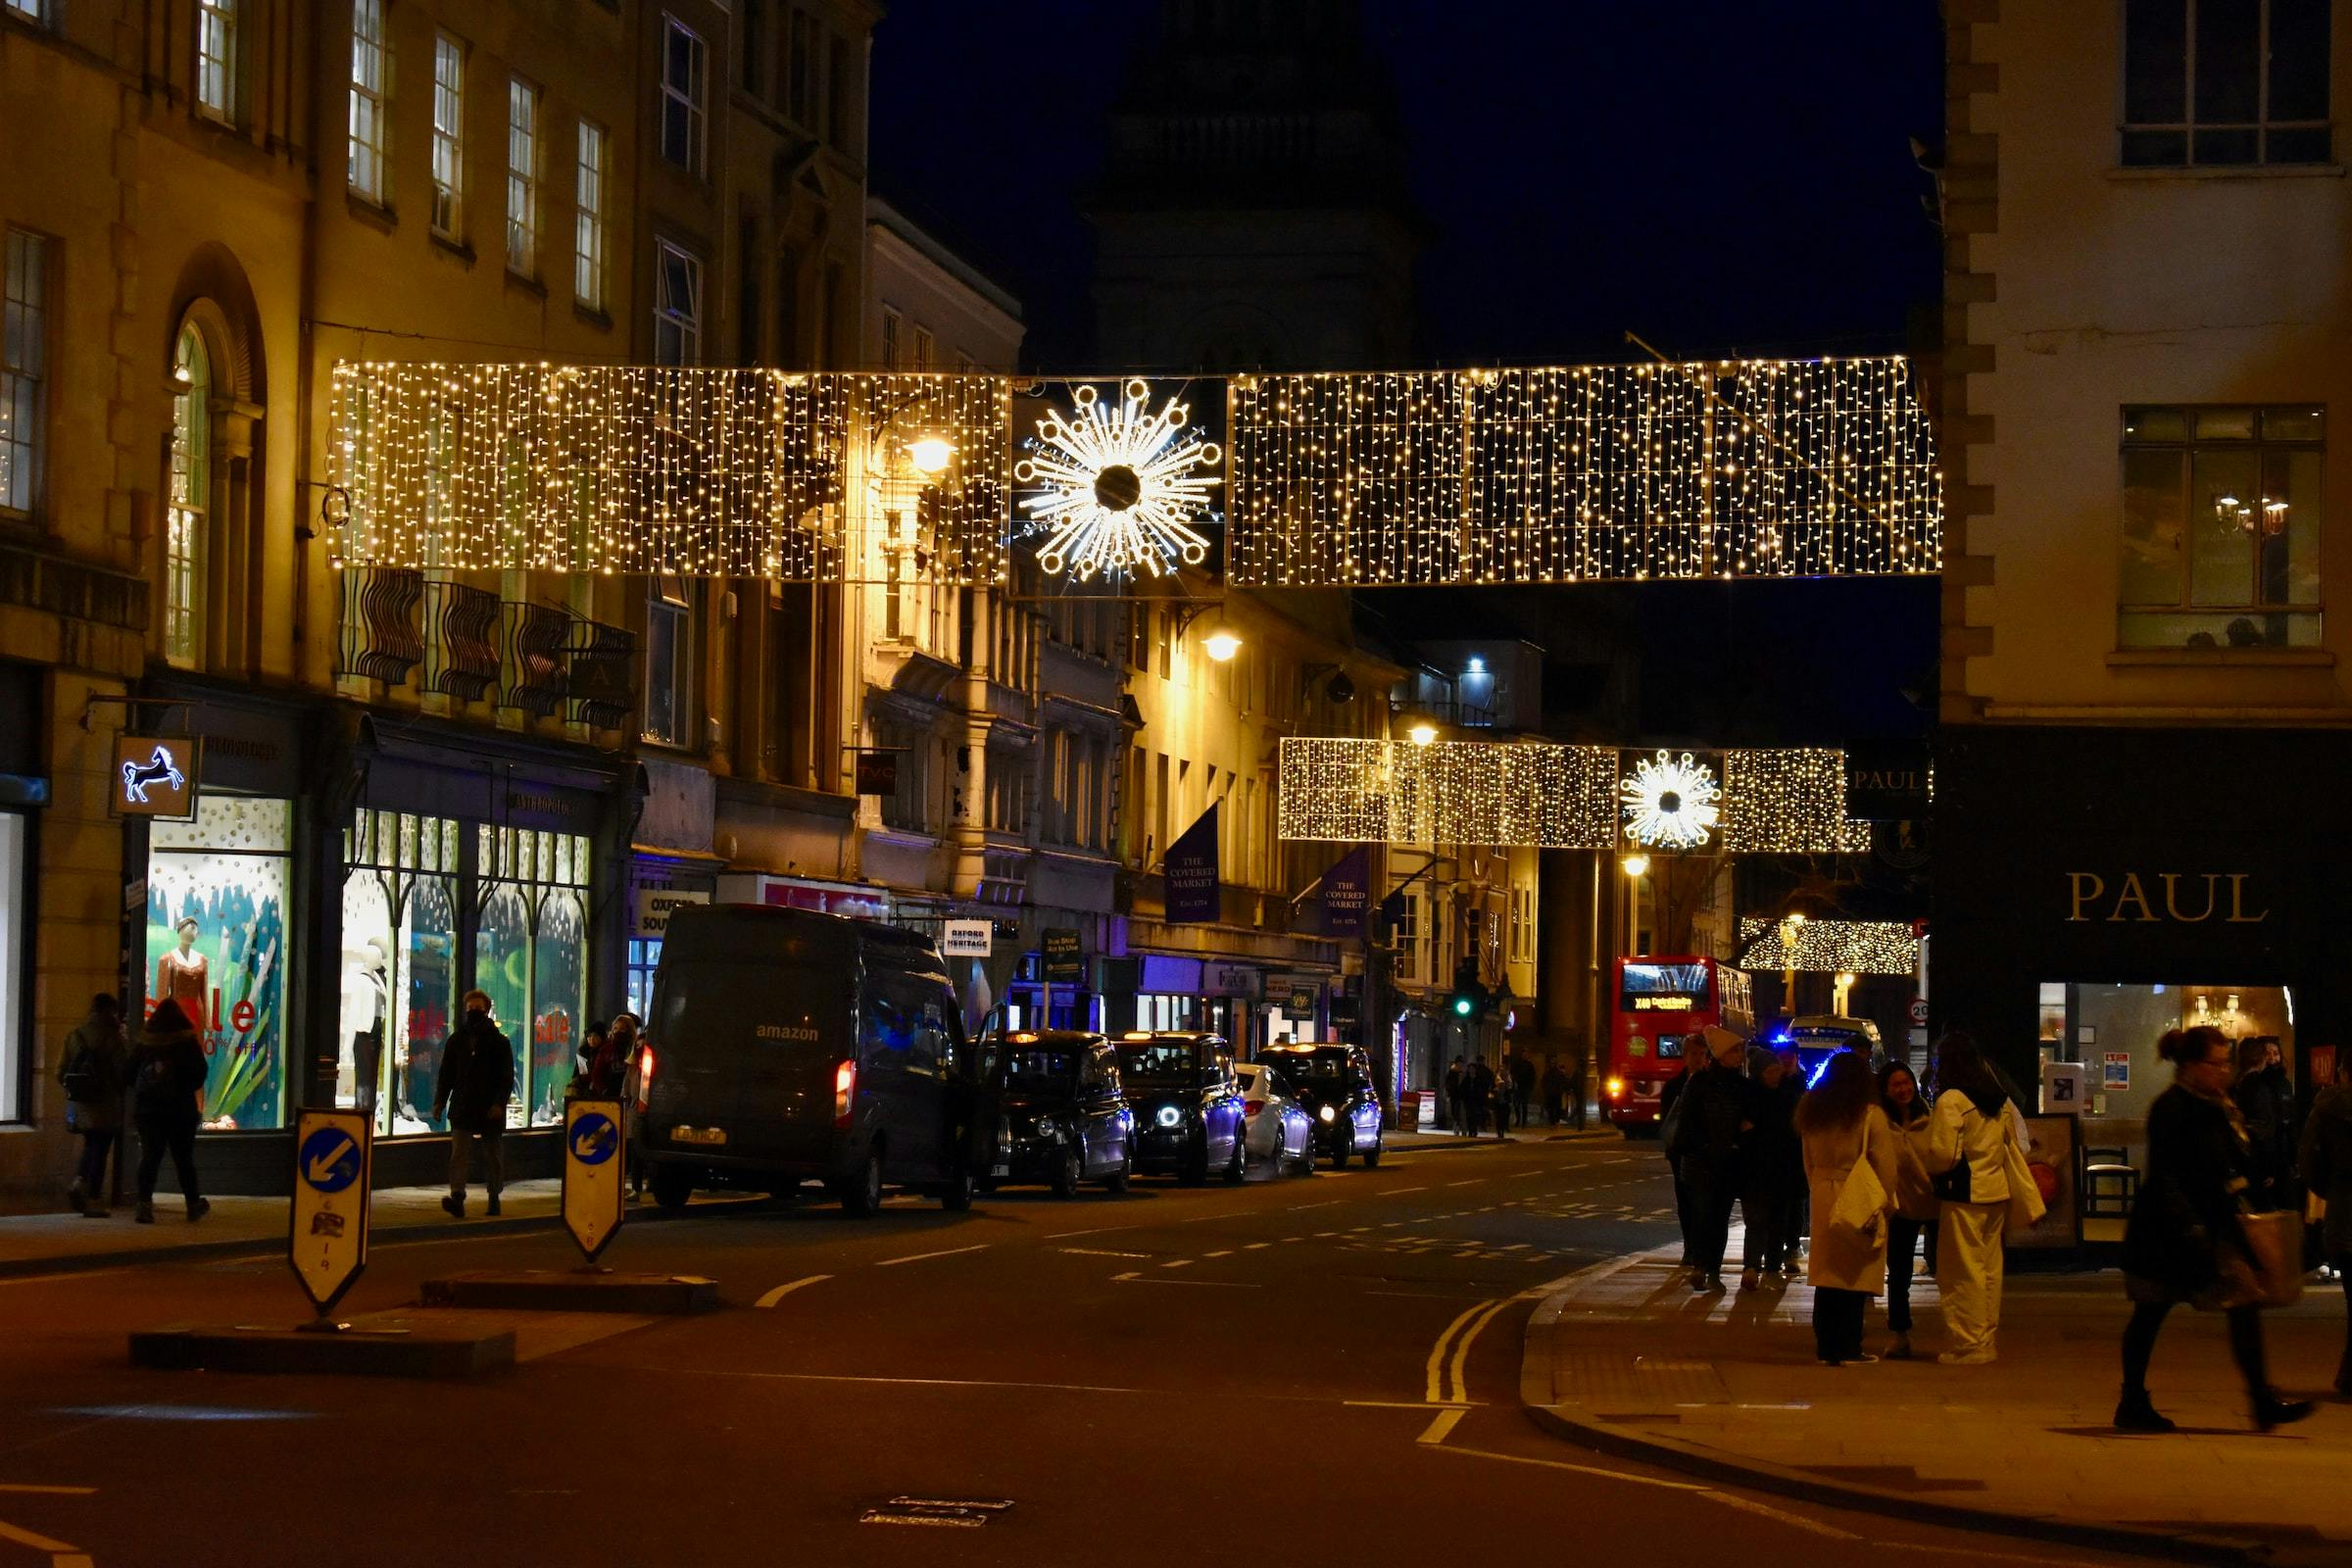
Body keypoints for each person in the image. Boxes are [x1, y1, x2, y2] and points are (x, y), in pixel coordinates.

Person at [2119, 1026, 2315, 1432]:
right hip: (2168, 1234)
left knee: (2244, 1303)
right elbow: (2168, 1176)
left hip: (2215, 1228)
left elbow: (2236, 1162)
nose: (2224, 1071)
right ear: (2191, 1066)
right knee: (2149, 1315)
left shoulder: (2220, 1106)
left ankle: (2261, 1400)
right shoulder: (2171, 1108)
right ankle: (2132, 1400)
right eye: (2216, 1063)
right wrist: (2190, 1225)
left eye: (2227, 1063)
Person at [1796, 1052, 1900, 1365]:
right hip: (1857, 1194)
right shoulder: (1869, 1114)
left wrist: (1818, 1186)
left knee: (1826, 1273)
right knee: (1855, 1274)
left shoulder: (1813, 1111)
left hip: (1823, 1192)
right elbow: (1885, 1166)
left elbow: (1808, 1161)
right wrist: (1886, 1202)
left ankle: (1826, 1346)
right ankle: (1849, 1346)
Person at [1927, 1030, 2024, 1364]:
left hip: (1963, 1195)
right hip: (1996, 1191)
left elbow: (1943, 1155)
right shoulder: (1996, 1097)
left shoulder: (1952, 1101)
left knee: (1961, 1272)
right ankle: (1986, 1339)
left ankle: (1967, 1343)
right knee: (1990, 1271)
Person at [1669, 1026, 1750, 1293]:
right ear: (1721, 1054)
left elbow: (1749, 1121)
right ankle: (1701, 1267)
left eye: (1740, 1050)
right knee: (1702, 1215)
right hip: (1701, 1162)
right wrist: (1699, 1147)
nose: (1740, 1055)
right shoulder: (1699, 1083)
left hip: (1729, 1163)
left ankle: (1712, 1269)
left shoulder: (1742, 1085)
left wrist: (1739, 1142)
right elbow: (1687, 1122)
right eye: (1734, 1050)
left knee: (1720, 1218)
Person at [125, 1000, 209, 1225]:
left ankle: (144, 1206)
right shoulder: (186, 1041)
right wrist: (181, 1088)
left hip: (148, 1112)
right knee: (184, 1159)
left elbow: (129, 1073)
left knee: (150, 1158)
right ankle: (192, 1205)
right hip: (180, 1111)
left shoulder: (145, 1043)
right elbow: (200, 1073)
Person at [2297, 1059, 2352, 1396]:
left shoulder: (2328, 1109)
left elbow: (2308, 1159)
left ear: (2344, 1072)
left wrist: (2329, 1190)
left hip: (2345, 1212)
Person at [434, 989, 514, 1218]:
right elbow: (446, 1074)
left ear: (486, 1010)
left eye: (478, 1009)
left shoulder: (499, 1043)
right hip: (462, 1104)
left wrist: (499, 1103)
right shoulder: (456, 1040)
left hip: (489, 1106)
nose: (473, 1012)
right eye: (470, 1009)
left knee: (492, 1154)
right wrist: (440, 1101)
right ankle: (457, 1197)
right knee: (459, 1153)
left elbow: (506, 1077)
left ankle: (494, 1196)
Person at [1879, 1061, 1939, 1359]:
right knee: (1899, 1274)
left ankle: (1958, 1329)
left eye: (1906, 1083)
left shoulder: (1930, 1118)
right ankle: (1899, 1332)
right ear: (1885, 1089)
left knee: (1947, 1270)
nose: (1903, 1089)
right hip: (1900, 1207)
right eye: (1895, 1084)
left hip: (1934, 1203)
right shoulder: (1880, 1123)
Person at [60, 994, 130, 1218]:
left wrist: (77, 1088)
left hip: (81, 1102)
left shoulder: (75, 1035)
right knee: (101, 1149)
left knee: (91, 1143)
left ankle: (80, 1181)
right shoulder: (113, 1039)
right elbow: (122, 1073)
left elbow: (60, 1071)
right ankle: (93, 1198)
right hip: (106, 1101)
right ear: (110, 1012)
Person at [2230, 1035, 2297, 1212]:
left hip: (2252, 1159)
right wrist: (2269, 1167)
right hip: (2262, 1159)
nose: (2271, 1058)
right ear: (2260, 1058)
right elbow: (2264, 1129)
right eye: (2267, 1054)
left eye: (2276, 1053)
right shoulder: (2260, 1087)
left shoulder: (2237, 1084)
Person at [1658, 1067, 1695, 1268]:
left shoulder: (1706, 1083)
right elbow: (1667, 1118)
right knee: (1684, 1200)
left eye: (1701, 1054)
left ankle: (1697, 1247)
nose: (1698, 1059)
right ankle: (1690, 1246)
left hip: (1700, 1152)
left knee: (1702, 1202)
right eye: (1694, 1054)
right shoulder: (1674, 1085)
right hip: (1680, 1151)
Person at [1509, 1048, 1536, 1130]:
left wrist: (1530, 1086)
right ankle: (1518, 1120)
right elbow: (1512, 1073)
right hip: (1518, 1086)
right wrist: (1514, 1083)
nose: (1525, 1056)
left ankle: (1523, 1122)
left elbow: (1532, 1077)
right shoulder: (1517, 1064)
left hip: (1526, 1087)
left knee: (1524, 1105)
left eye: (1526, 1055)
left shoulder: (1530, 1065)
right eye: (1524, 1054)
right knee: (1516, 1104)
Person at [1542, 1057, 1570, 1127]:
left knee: (1554, 1108)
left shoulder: (1552, 1073)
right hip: (1553, 1093)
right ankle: (1554, 1122)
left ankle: (1554, 1122)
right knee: (1553, 1108)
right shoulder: (1549, 1073)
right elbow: (1544, 1082)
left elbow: (1563, 1082)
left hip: (1554, 1093)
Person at [1445, 1057, 1468, 1137]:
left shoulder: (1463, 1072)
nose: (1461, 1065)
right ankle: (1457, 1127)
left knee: (1461, 1112)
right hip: (1455, 1095)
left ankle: (1461, 1128)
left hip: (1461, 1096)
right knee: (1455, 1112)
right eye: (1460, 1063)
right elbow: (1449, 1084)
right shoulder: (1453, 1072)